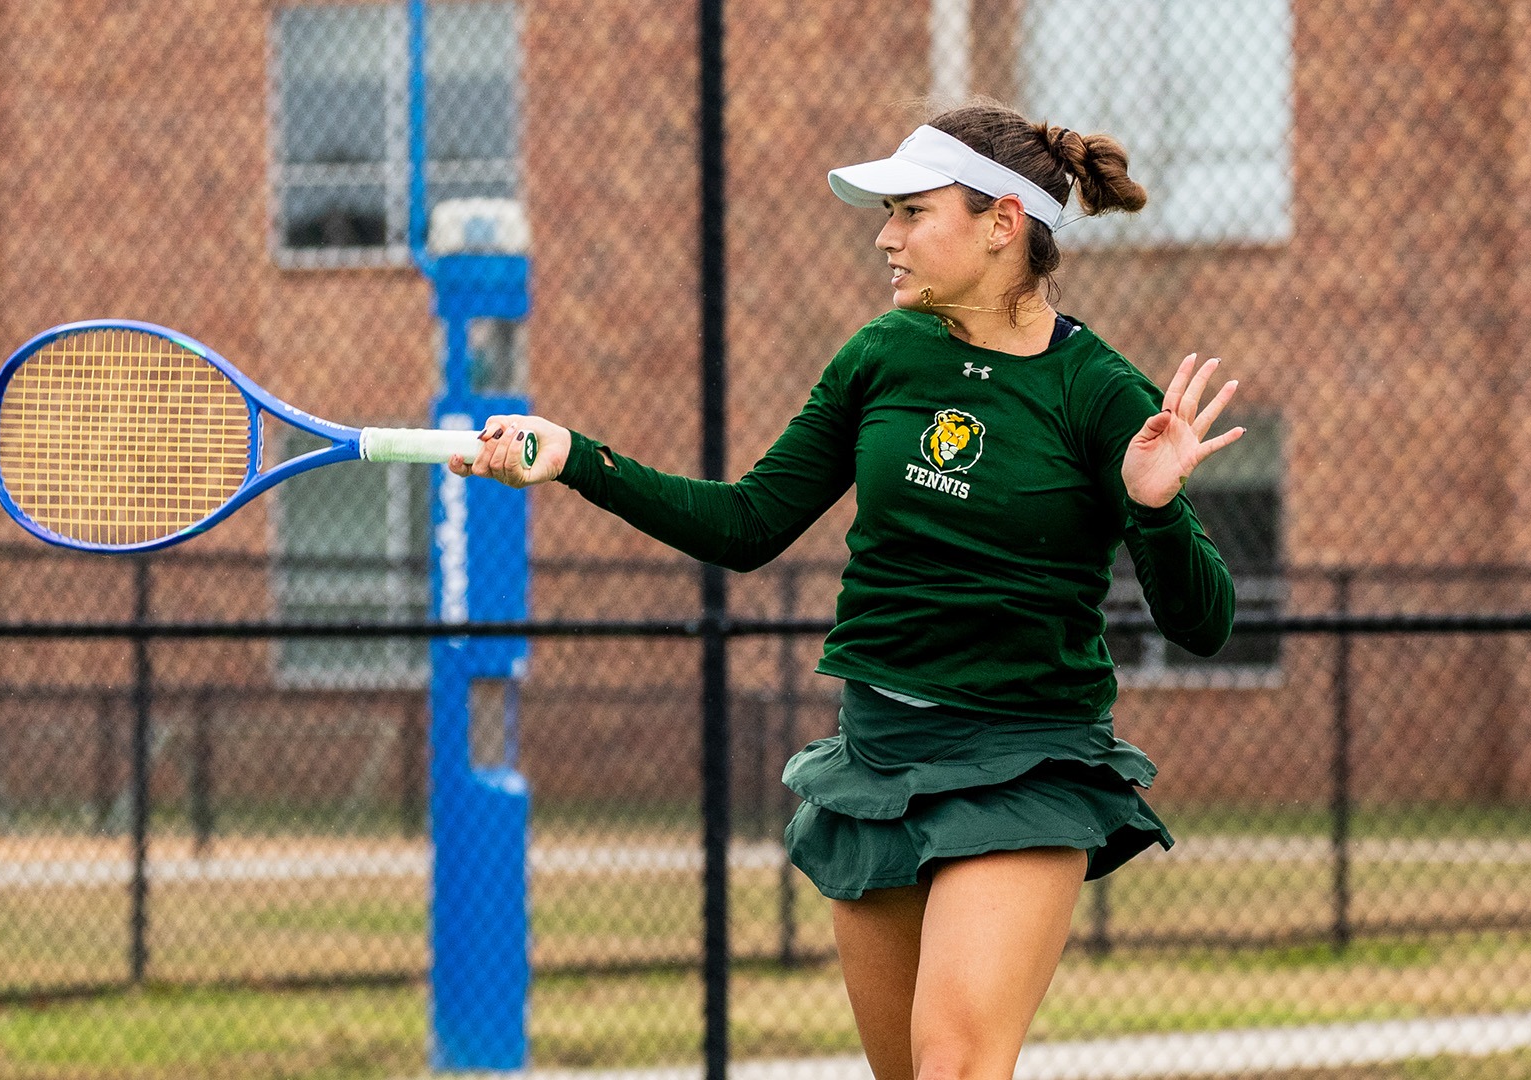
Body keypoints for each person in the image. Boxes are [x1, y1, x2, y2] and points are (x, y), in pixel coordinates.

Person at [450, 100, 1243, 1080]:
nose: (886, 236)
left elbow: (1203, 625)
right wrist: (576, 458)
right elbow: (746, 525)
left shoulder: (1100, 391)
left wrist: (1155, 509)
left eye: (912, 212)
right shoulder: (880, 356)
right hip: (878, 755)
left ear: (1002, 222)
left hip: (1027, 763)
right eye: (889, 214)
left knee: (953, 1067)